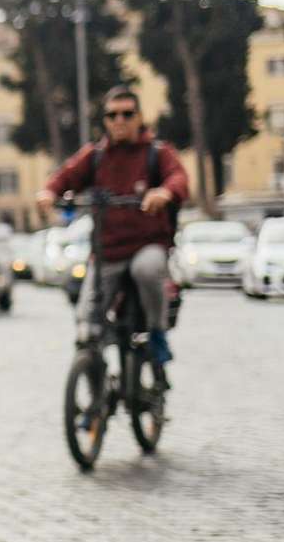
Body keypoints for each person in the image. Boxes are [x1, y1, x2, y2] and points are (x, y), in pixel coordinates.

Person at [37, 85, 190, 365]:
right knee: (87, 318)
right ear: (105, 120)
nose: (119, 120)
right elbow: (65, 176)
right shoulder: (95, 155)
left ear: (139, 117)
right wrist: (48, 192)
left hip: (147, 245)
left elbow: (178, 178)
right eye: (112, 115)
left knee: (148, 270)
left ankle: (157, 332)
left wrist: (164, 193)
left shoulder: (158, 153)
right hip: (107, 251)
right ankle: (94, 378)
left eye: (127, 114)